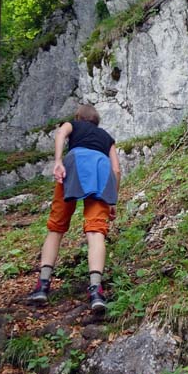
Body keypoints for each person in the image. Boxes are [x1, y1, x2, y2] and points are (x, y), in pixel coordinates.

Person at [28, 104, 121, 312]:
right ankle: (96, 291)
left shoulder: (74, 125)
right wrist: (112, 199)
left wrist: (58, 161)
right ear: (96, 121)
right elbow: (116, 169)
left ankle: (42, 286)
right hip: (100, 170)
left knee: (56, 227)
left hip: (75, 164)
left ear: (79, 117)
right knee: (96, 231)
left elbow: (61, 132)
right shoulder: (106, 137)